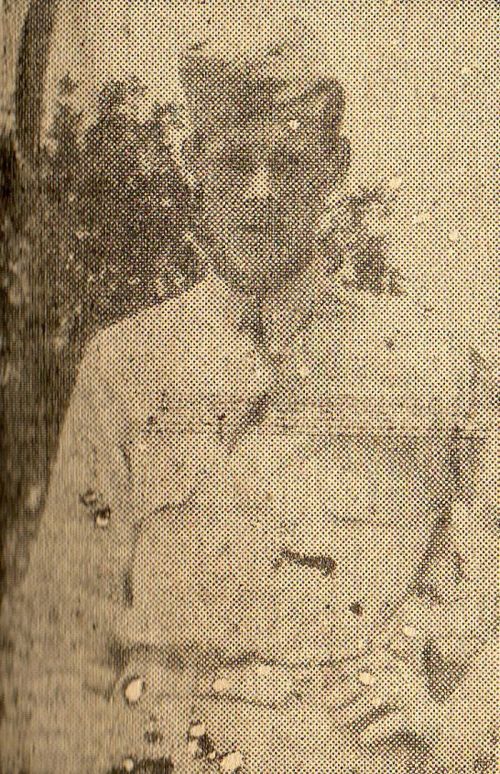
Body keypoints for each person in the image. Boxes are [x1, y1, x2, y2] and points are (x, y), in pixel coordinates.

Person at [2, 24, 497, 774]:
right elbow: (62, 638)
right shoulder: (126, 365)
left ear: (334, 170)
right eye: (236, 161)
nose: (261, 193)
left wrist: (453, 722)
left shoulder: (438, 367)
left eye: (289, 163)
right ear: (196, 165)